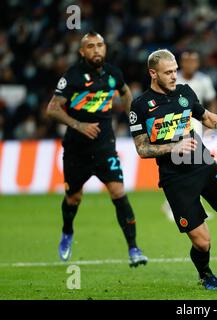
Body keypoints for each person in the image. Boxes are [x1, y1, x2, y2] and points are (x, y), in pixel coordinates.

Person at [129, 49, 217, 290]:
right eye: (168, 73)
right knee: (203, 242)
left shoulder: (184, 93)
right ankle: (206, 275)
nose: (175, 76)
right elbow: (142, 148)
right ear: (153, 73)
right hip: (175, 179)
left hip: (203, 165)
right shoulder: (140, 106)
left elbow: (205, 117)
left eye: (175, 71)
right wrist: (174, 147)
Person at [46, 31, 148, 267]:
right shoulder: (72, 76)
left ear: (105, 49)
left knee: (118, 193)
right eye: (90, 46)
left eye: (100, 45)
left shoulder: (113, 73)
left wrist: (132, 119)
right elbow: (52, 109)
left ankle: (134, 248)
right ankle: (67, 232)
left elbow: (125, 92)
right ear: (82, 52)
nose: (96, 50)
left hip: (104, 148)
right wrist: (78, 125)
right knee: (73, 198)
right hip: (76, 150)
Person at [161, 50, 217, 221]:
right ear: (181, 63)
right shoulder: (173, 79)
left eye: (193, 61)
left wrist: (210, 124)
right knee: (184, 166)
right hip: (177, 125)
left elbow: (212, 100)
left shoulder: (203, 80)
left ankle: (186, 206)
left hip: (196, 124)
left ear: (197, 63)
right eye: (187, 61)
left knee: (193, 166)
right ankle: (175, 205)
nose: (190, 65)